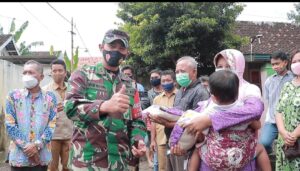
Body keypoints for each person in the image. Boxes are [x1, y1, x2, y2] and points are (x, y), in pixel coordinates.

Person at [64, 29, 147, 171]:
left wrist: (138, 140)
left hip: (120, 162)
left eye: (121, 48)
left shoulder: (130, 84)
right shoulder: (82, 75)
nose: (117, 51)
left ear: (127, 52)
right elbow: (70, 108)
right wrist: (103, 106)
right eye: (112, 46)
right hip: (87, 162)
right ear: (101, 47)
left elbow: (137, 120)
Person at [175, 49, 269, 170]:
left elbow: (254, 111)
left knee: (198, 152)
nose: (223, 69)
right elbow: (199, 128)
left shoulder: (250, 89)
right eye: (219, 66)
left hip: (240, 157)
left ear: (239, 66)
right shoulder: (217, 91)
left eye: (229, 66)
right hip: (217, 158)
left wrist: (210, 119)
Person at [151, 56, 210, 171]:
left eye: (182, 71)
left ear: (194, 72)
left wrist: (167, 123)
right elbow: (177, 115)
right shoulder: (181, 90)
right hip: (173, 143)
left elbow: (196, 124)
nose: (178, 74)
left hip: (187, 149)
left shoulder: (200, 92)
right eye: (177, 71)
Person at [5, 60, 57, 171]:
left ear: (41, 77)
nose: (27, 76)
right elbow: (10, 125)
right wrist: (28, 148)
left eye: (31, 72)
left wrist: (37, 145)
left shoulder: (50, 98)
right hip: (19, 159)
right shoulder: (13, 96)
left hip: (41, 159)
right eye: (25, 72)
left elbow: (52, 125)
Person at [259, 51, 294, 154]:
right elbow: (268, 102)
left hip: (289, 120)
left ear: (285, 62)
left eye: (277, 63)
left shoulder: (294, 79)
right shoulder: (269, 81)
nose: (274, 67)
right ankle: (272, 153)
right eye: (273, 64)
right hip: (272, 120)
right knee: (263, 143)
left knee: (289, 147)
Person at [43, 59, 73, 171]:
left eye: (60, 70)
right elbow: (39, 114)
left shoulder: (73, 90)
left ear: (65, 72)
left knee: (69, 167)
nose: (57, 73)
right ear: (50, 72)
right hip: (52, 136)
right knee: (52, 167)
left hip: (70, 135)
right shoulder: (44, 91)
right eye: (54, 70)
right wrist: (52, 111)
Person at [275, 50, 300, 170]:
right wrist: (283, 132)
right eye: (294, 61)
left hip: (296, 141)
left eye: (299, 61)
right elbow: (279, 110)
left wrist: (294, 136)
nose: (296, 64)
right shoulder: (287, 86)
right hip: (284, 140)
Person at [150, 70, 178, 171]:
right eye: (163, 81)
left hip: (177, 139)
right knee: (162, 168)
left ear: (174, 81)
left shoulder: (180, 96)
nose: (165, 83)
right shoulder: (157, 99)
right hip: (161, 139)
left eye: (168, 80)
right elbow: (153, 120)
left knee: (177, 167)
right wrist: (152, 140)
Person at [147, 69, 163, 170]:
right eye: (151, 78)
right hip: (152, 125)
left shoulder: (167, 91)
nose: (153, 79)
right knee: (149, 144)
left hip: (164, 126)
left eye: (156, 78)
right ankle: (150, 160)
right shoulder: (149, 93)